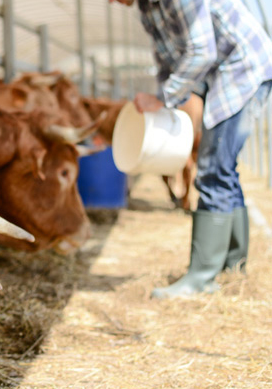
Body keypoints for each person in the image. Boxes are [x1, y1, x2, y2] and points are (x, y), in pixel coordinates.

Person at [111, 0, 272, 298]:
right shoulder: (147, 8)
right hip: (221, 75)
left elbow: (202, 51)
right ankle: (232, 269)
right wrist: (164, 103)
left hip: (244, 68)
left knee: (212, 170)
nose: (109, 2)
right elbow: (166, 58)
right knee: (222, 170)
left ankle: (201, 278)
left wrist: (163, 97)